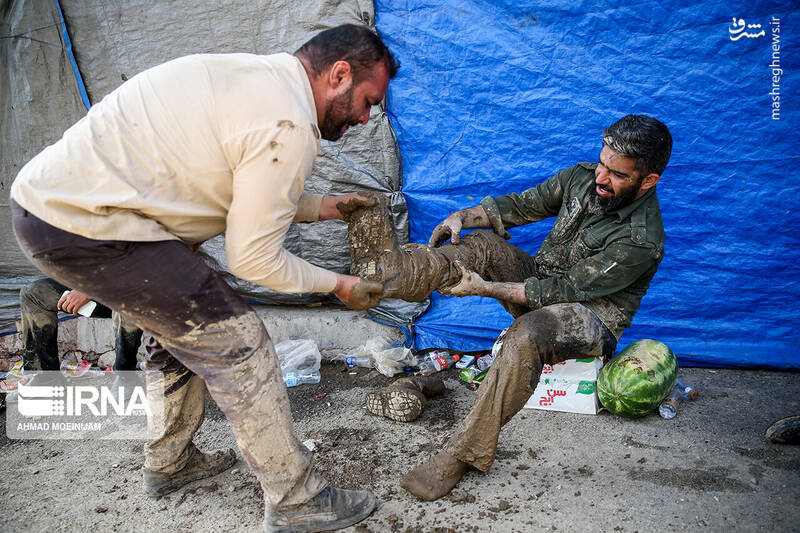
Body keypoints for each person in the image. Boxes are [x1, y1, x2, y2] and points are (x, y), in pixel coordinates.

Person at [11, 24, 398, 532]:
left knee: (181, 338)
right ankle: (296, 500)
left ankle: (169, 462)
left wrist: (324, 206)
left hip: (61, 209)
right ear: (339, 74)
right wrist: (338, 285)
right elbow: (253, 259)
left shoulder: (262, 84)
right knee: (238, 341)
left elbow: (244, 188)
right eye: (368, 101)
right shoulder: (288, 121)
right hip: (86, 222)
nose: (366, 118)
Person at [348, 114, 671, 500]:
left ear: (648, 180)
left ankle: (462, 453)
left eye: (617, 174)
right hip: (541, 281)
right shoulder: (583, 178)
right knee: (485, 245)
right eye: (602, 163)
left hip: (591, 316)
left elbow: (564, 291)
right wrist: (462, 217)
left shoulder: (640, 239)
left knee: (527, 335)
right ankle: (402, 274)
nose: (601, 177)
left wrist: (485, 289)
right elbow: (523, 204)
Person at [20, 278, 143, 372]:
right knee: (33, 293)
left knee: (128, 299)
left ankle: (125, 376)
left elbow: (137, 266)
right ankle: (43, 377)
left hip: (135, 290)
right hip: (96, 289)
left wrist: (89, 288)